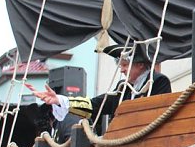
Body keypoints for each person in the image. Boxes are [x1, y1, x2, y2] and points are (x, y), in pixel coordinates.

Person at [30, 44, 172, 133]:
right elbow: (96, 104)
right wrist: (60, 100)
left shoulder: (159, 81)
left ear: (140, 64)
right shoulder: (123, 87)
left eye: (125, 65)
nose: (121, 70)